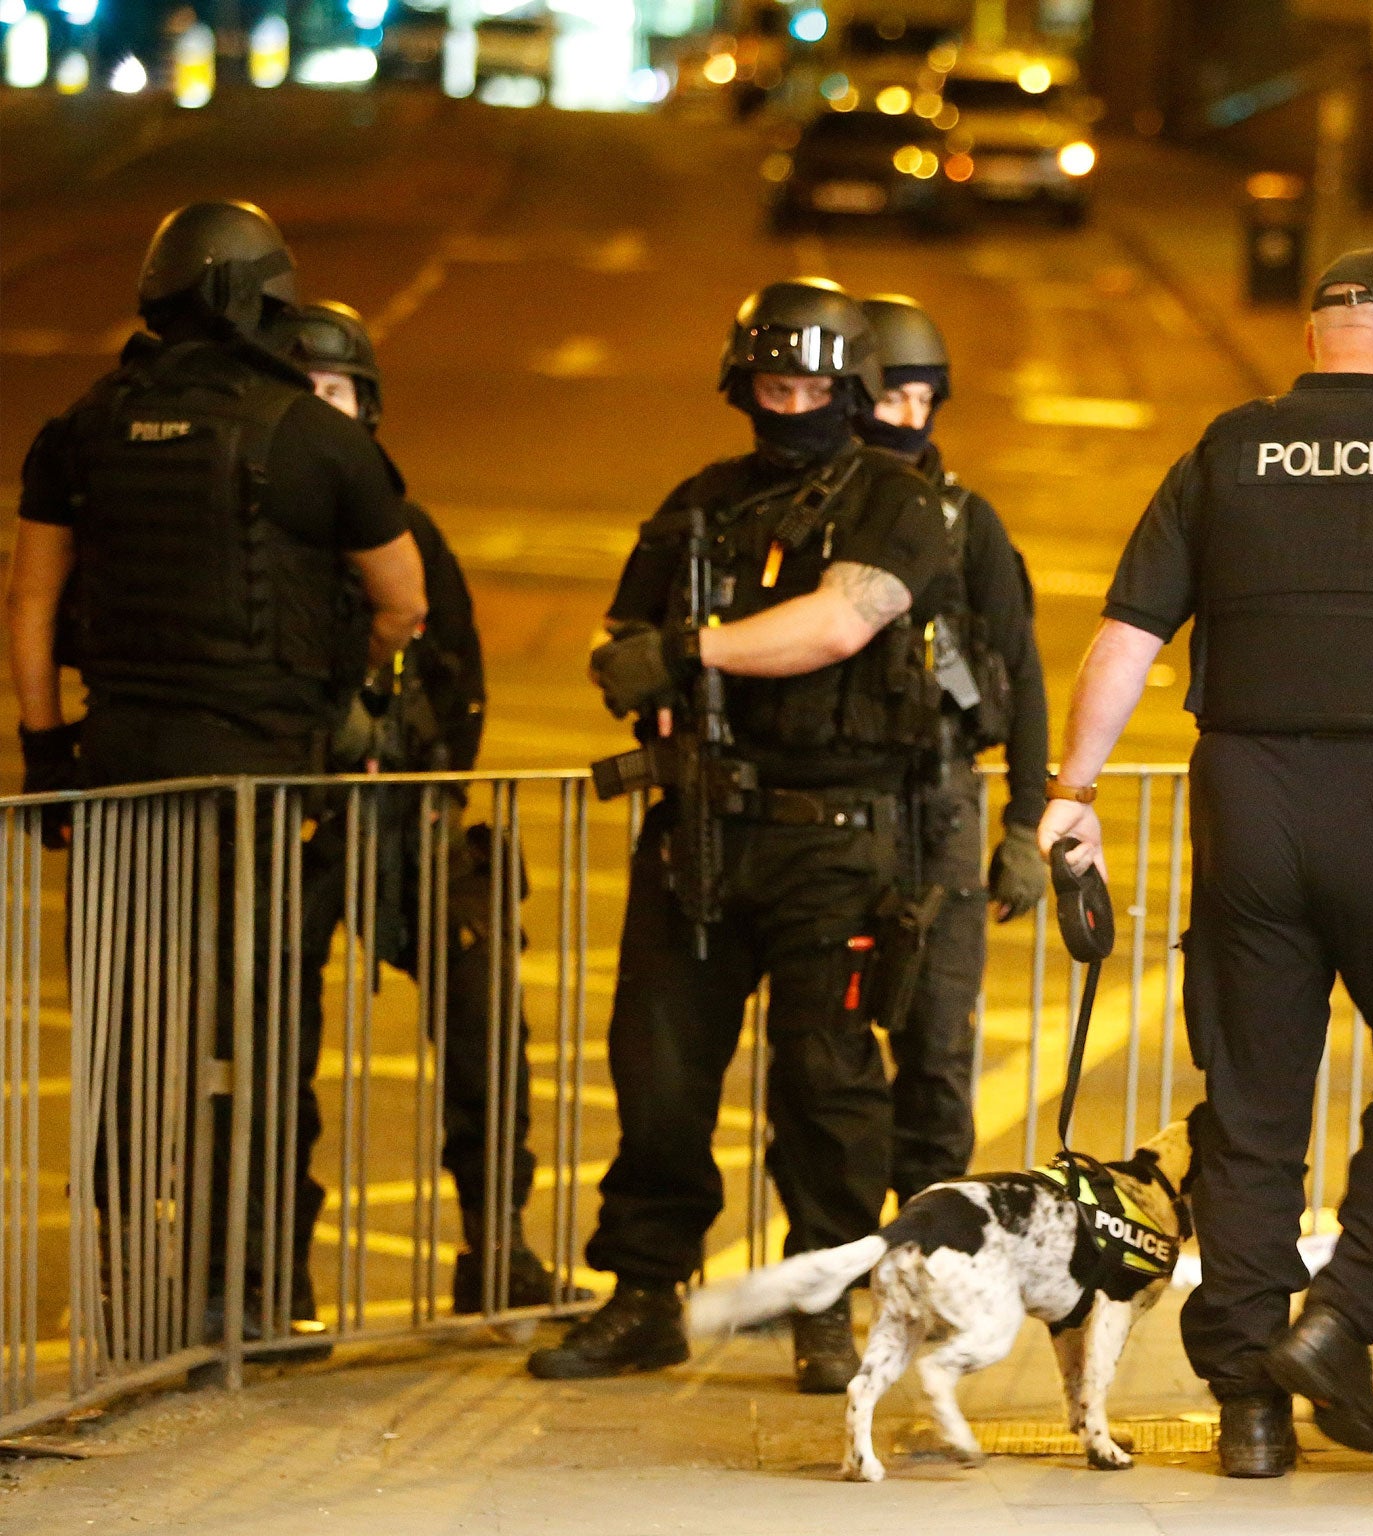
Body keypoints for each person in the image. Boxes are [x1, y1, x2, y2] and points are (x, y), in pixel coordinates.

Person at [1038, 250, 1373, 1477]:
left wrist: (1072, 794)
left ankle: (1247, 1410)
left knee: (1249, 1107)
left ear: (1310, 339)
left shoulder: (1228, 451)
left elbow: (1124, 636)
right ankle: (1339, 1321)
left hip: (1246, 805)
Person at [5, 201, 429, 1339]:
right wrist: (334, 684)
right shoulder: (317, 436)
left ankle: (122, 1292)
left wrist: (48, 751)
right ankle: (241, 1292)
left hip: (118, 780)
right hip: (258, 789)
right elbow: (403, 602)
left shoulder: (79, 428)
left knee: (125, 1037)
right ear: (266, 303)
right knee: (250, 1042)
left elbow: (32, 601)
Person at [527, 278, 956, 1392]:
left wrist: (694, 652)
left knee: (827, 1088)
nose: (794, 403)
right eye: (775, 383)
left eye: (816, 384)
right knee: (659, 1078)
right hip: (701, 829)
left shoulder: (895, 502)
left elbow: (840, 620)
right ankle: (641, 1295)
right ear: (742, 384)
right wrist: (641, 660)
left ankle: (818, 1306)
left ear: (854, 387)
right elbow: (624, 635)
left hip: (839, 840)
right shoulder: (697, 505)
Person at [273, 300, 583, 1316]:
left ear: (364, 406)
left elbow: (459, 672)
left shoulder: (406, 527)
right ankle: (277, 1268)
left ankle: (497, 1244)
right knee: (274, 1038)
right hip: (294, 818)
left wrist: (436, 791)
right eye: (300, 392)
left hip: (408, 812)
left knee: (485, 1015)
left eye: (334, 393)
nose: (318, 412)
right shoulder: (260, 531)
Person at [854, 294, 1048, 1201]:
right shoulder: (823, 518)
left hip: (940, 807)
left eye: (924, 402)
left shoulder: (969, 524)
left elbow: (1023, 674)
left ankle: (929, 1251)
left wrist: (1025, 824)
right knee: (832, 1053)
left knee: (937, 1044)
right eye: (891, 398)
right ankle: (830, 1257)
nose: (908, 420)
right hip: (839, 809)